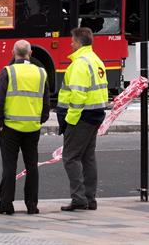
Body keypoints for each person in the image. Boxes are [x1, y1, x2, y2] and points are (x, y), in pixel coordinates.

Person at [0, 40, 49, 215]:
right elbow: (46, 101)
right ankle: (32, 205)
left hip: (10, 127)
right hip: (32, 127)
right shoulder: (41, 73)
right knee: (32, 166)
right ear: (30, 53)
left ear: (13, 52)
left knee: (9, 166)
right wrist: (40, 120)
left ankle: (6, 205)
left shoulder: (8, 72)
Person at [57, 27, 108, 211]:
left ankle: (79, 198)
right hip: (95, 115)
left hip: (81, 117)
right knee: (88, 157)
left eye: (72, 40)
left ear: (79, 42)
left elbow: (78, 95)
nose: (71, 43)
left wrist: (70, 120)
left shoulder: (79, 63)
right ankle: (89, 198)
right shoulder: (96, 60)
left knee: (70, 157)